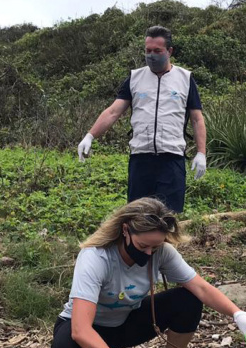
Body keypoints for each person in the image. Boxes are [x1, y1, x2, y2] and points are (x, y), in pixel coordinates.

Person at [49, 198, 246, 348]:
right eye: (143, 246)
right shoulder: (96, 257)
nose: (149, 253)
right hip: (90, 327)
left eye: (156, 246)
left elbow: (201, 288)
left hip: (128, 321)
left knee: (188, 300)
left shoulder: (162, 252)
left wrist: (238, 314)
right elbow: (81, 330)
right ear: (125, 230)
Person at [77, 26, 206, 214]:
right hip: (141, 159)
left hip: (172, 159)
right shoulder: (135, 77)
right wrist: (90, 136)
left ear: (169, 51)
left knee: (168, 217)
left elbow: (197, 119)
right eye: (148, 51)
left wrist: (201, 153)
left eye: (157, 51)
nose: (151, 55)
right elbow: (113, 111)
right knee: (138, 217)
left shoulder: (185, 79)